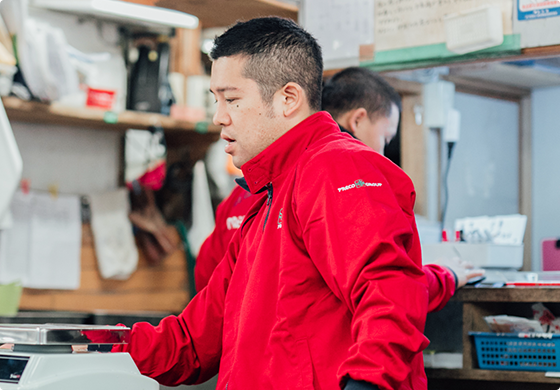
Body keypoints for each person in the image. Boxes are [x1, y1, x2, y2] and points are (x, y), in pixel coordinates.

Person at [116, 17, 429, 390]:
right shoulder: (264, 200)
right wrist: (95, 345)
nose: (219, 117)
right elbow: (190, 342)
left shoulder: (338, 167)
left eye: (232, 99)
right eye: (216, 101)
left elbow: (389, 291)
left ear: (288, 99)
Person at [195, 67, 484, 313]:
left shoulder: (245, 193)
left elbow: (207, 284)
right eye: (386, 137)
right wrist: (445, 275)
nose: (382, 154)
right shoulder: (341, 182)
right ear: (357, 120)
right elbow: (390, 293)